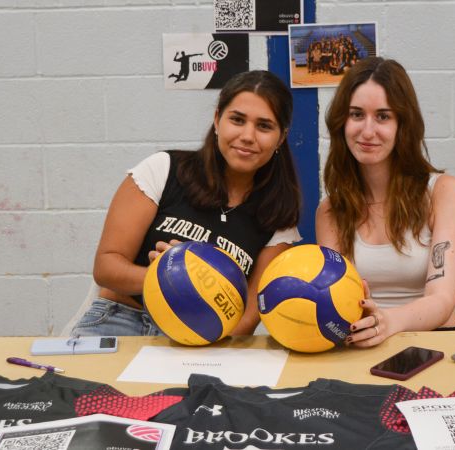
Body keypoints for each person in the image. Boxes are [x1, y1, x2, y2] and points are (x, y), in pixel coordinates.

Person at [71, 70, 302, 337]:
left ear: (281, 138)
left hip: (205, 336)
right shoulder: (164, 169)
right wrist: (173, 278)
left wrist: (202, 304)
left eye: (264, 126)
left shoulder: (279, 217)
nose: (248, 135)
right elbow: (106, 267)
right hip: (122, 319)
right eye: (237, 120)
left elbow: (247, 320)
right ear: (217, 120)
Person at [315, 57, 455, 348]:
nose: (368, 131)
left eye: (383, 116)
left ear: (403, 124)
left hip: (436, 347)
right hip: (360, 348)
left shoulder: (444, 192)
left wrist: (388, 322)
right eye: (357, 114)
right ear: (342, 122)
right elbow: (334, 300)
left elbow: (443, 299)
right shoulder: (330, 211)